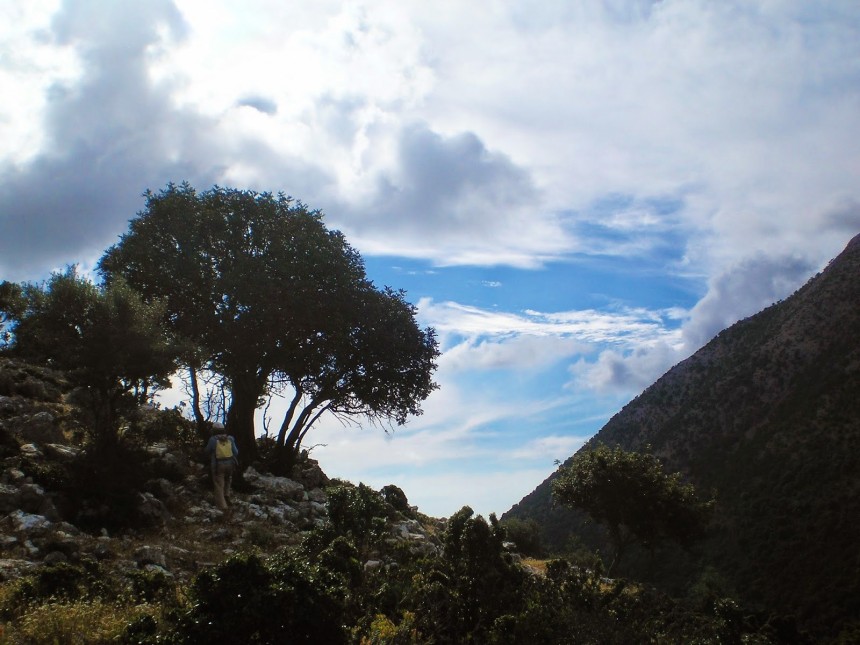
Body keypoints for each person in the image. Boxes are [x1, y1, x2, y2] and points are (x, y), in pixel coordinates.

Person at [204, 430, 239, 510]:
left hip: (218, 465)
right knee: (228, 479)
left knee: (219, 484)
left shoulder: (213, 440)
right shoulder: (230, 438)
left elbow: (207, 451)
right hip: (230, 464)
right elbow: (236, 452)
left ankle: (222, 507)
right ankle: (227, 495)